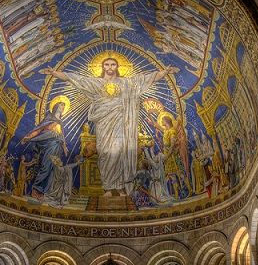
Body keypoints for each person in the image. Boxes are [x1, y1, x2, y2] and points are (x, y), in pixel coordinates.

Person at [43, 58, 178, 194]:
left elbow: (146, 79)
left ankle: (119, 187)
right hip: (104, 123)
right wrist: (55, 73)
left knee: (120, 151)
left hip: (120, 123)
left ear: (117, 66)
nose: (110, 67)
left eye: (113, 64)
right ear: (102, 66)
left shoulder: (126, 83)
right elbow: (76, 80)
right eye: (106, 64)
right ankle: (107, 187)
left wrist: (165, 72)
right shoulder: (96, 83)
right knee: (105, 152)